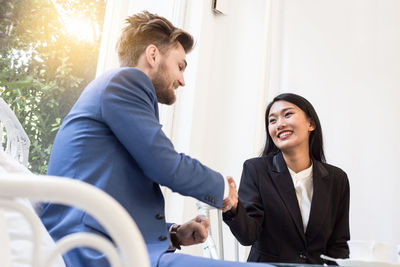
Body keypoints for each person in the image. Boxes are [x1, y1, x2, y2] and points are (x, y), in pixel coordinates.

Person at [40, 11, 271, 267]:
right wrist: (223, 189)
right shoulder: (126, 81)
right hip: (94, 251)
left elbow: (119, 193)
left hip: (116, 246)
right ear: (152, 55)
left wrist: (174, 234)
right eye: (180, 66)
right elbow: (165, 164)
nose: (182, 80)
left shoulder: (118, 91)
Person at [223, 93, 350, 265]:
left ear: (310, 123)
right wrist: (233, 209)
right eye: (272, 120)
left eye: (288, 114)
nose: (280, 124)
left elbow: (338, 246)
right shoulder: (256, 170)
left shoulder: (337, 179)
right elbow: (248, 236)